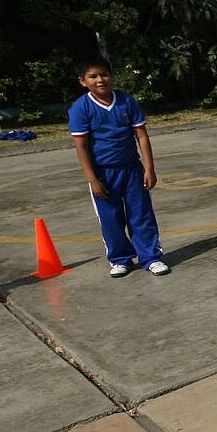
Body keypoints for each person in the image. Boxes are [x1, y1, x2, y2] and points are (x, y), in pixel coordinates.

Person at [68, 57, 169, 277]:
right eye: (93, 76)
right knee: (111, 218)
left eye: (104, 74)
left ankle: (151, 257)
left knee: (141, 214)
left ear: (111, 77)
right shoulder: (80, 108)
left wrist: (149, 168)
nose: (100, 80)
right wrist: (92, 179)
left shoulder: (126, 102)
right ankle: (121, 259)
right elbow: (81, 147)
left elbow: (141, 135)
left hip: (132, 168)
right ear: (83, 81)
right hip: (103, 173)